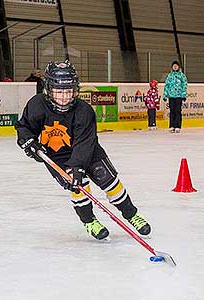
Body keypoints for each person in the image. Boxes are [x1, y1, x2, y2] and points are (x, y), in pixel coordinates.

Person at [15, 61, 151, 240]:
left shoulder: (83, 111)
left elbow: (85, 143)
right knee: (79, 187)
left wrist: (77, 166)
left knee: (109, 181)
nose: (64, 97)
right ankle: (90, 221)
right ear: (48, 89)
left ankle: (131, 215)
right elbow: (24, 127)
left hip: (88, 150)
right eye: (59, 91)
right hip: (57, 156)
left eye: (69, 91)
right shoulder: (37, 105)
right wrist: (28, 142)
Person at [163, 60, 188, 133]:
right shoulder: (170, 75)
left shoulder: (181, 75)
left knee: (177, 111)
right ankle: (172, 125)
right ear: (172, 67)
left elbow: (184, 85)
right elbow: (166, 85)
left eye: (176, 66)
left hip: (179, 96)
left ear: (178, 67)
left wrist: (183, 94)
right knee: (172, 111)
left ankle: (178, 126)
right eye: (174, 66)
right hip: (171, 96)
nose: (175, 67)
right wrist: (165, 95)